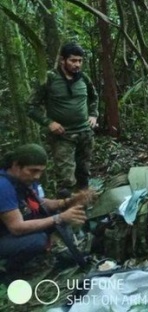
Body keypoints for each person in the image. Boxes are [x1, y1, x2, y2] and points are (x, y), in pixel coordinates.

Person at [0, 144, 88, 276]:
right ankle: (10, 272)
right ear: (16, 165)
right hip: (5, 234)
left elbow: (40, 204)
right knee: (37, 240)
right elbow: (16, 227)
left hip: (14, 227)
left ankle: (61, 252)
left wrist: (67, 202)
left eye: (41, 171)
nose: (37, 176)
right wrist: (59, 218)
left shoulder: (25, 179)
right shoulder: (3, 186)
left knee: (58, 215)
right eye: (33, 171)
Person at [27, 42, 98, 199]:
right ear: (62, 60)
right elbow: (31, 106)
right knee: (66, 180)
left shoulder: (84, 79)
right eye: (73, 60)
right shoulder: (49, 79)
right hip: (63, 136)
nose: (77, 64)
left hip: (85, 133)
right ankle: (66, 215)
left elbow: (94, 98)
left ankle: (84, 209)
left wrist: (93, 114)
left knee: (84, 173)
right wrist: (49, 123)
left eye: (80, 61)